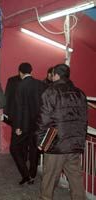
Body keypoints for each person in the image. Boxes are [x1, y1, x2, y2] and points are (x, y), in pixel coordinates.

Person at [36, 64, 87, 200]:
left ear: (56, 75)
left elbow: (44, 120)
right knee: (75, 178)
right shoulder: (80, 93)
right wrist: (80, 140)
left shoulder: (50, 92)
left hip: (55, 143)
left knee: (49, 179)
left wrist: (41, 142)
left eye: (52, 74)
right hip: (74, 142)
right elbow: (84, 120)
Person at [13, 63, 45, 185]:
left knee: (14, 148)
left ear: (20, 72)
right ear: (31, 71)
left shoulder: (20, 86)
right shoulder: (41, 84)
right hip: (38, 123)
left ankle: (25, 174)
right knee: (34, 149)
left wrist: (18, 126)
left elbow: (19, 108)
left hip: (24, 124)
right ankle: (32, 174)